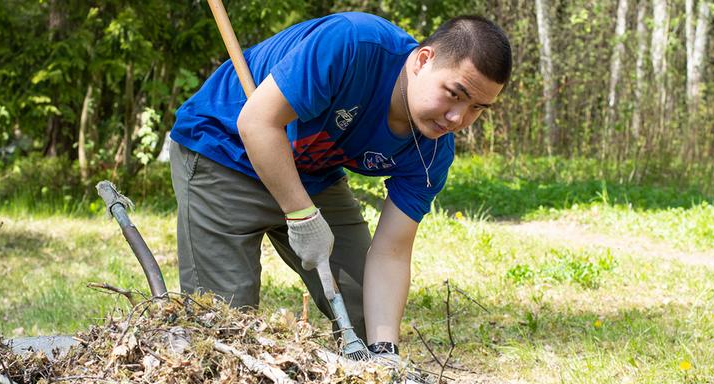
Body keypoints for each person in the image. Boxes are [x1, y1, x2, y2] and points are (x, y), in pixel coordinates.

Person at [169, 12, 511, 362]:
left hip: (310, 171)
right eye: (455, 94)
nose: (458, 119)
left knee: (367, 308)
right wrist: (302, 216)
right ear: (424, 60)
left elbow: (391, 251)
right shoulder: (352, 46)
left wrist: (385, 352)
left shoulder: (433, 149)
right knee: (225, 332)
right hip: (224, 150)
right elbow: (256, 122)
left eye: (477, 109)